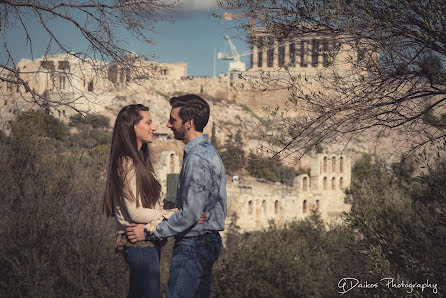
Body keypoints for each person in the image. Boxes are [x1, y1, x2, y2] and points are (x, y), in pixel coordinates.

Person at [126, 94, 227, 298]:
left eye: (173, 120)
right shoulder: (206, 152)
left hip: (194, 243)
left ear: (188, 124)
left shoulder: (197, 159)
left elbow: (190, 214)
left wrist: (149, 232)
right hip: (206, 241)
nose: (168, 124)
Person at [103, 104, 177, 298]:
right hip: (139, 246)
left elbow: (149, 205)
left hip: (147, 245)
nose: (153, 127)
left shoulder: (139, 161)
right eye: (148, 122)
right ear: (132, 126)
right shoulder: (126, 163)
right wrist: (169, 214)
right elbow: (136, 212)